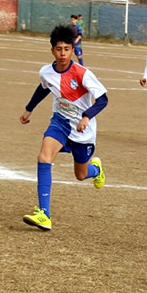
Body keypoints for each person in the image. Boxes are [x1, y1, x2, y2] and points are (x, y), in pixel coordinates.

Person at [19, 25, 108, 230]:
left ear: (72, 50)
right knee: (44, 157)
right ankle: (44, 214)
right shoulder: (46, 72)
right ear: (52, 50)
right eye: (58, 49)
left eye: (66, 49)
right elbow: (43, 88)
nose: (62, 54)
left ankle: (96, 170)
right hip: (60, 122)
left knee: (80, 174)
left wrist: (86, 116)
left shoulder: (82, 73)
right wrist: (29, 109)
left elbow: (103, 99)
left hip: (82, 131)